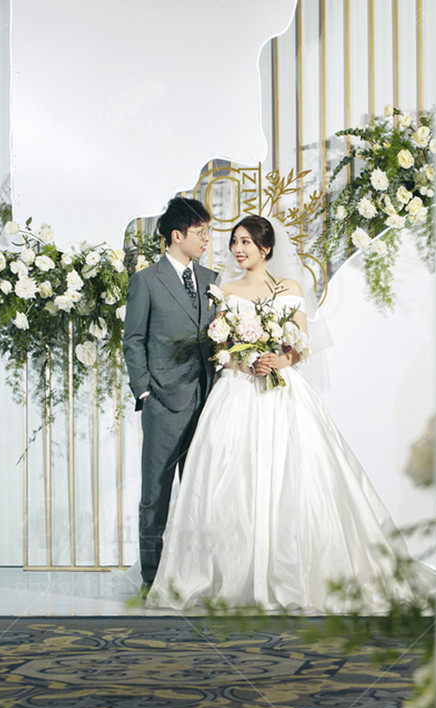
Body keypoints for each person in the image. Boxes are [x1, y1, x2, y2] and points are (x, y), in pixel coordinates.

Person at [150, 214, 415, 613]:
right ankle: (227, 575)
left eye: (246, 242)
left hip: (284, 392)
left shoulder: (289, 288)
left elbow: (301, 344)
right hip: (238, 390)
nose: (238, 249)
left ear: (266, 247)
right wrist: (246, 363)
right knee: (227, 477)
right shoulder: (225, 290)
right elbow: (219, 348)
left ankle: (296, 574)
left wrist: (280, 359)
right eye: (234, 242)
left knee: (298, 475)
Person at [122, 196, 218, 592]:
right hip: (163, 402)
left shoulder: (212, 279)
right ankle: (152, 577)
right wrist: (145, 391)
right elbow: (133, 340)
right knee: (156, 494)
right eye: (200, 232)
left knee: (202, 493)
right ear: (177, 236)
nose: (207, 239)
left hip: (208, 400)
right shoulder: (146, 281)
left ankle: (197, 575)